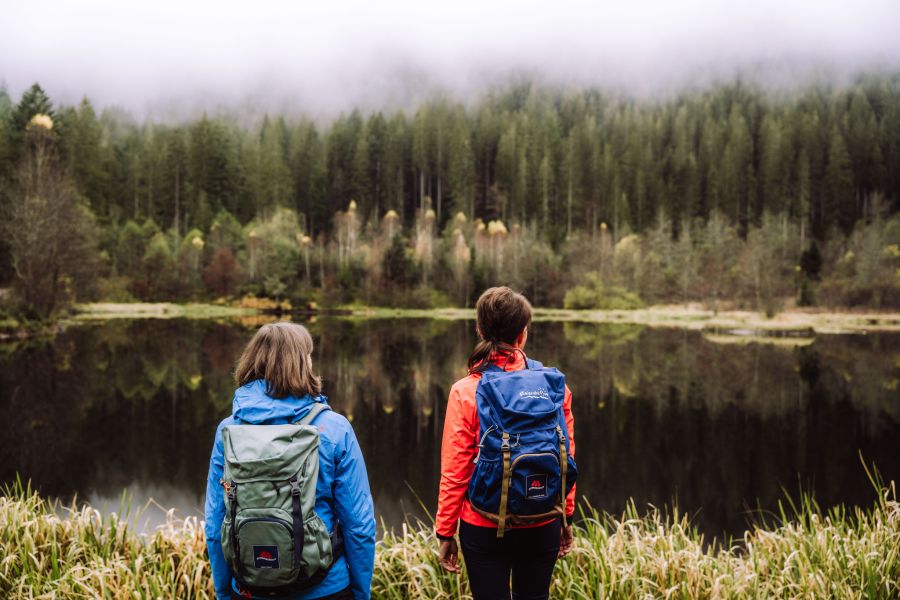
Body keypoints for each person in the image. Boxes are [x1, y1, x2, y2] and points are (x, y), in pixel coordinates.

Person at [205, 322, 376, 600]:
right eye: (308, 355)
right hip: (324, 587)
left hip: (249, 587)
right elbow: (358, 524)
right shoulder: (333, 428)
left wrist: (225, 590)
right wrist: (359, 591)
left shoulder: (229, 430)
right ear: (302, 363)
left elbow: (216, 523)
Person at [435, 287, 576, 600]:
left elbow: (455, 470)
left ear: (480, 330)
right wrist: (566, 517)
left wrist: (445, 531)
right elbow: (566, 457)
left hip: (483, 524)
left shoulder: (466, 390)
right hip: (543, 520)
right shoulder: (553, 387)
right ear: (522, 335)